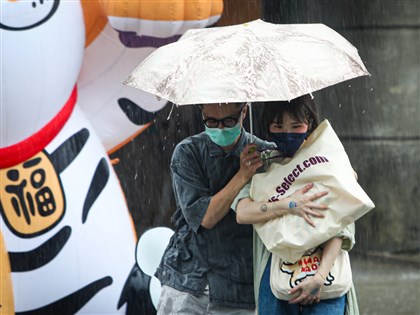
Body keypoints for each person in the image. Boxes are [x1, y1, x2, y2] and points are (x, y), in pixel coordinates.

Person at [232, 95, 359, 315]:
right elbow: (242, 213)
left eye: (296, 125)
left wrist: (319, 278)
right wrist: (289, 204)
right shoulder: (263, 165)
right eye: (278, 126)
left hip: (326, 278)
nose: (286, 132)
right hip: (275, 277)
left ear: (309, 124)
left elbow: (341, 228)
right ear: (268, 126)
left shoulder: (327, 162)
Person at [155, 102, 273, 314]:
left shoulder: (266, 154)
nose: (220, 129)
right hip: (190, 279)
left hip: (241, 285)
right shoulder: (187, 152)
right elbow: (206, 217)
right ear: (202, 114)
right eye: (211, 121)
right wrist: (242, 176)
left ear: (244, 112)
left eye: (228, 121)